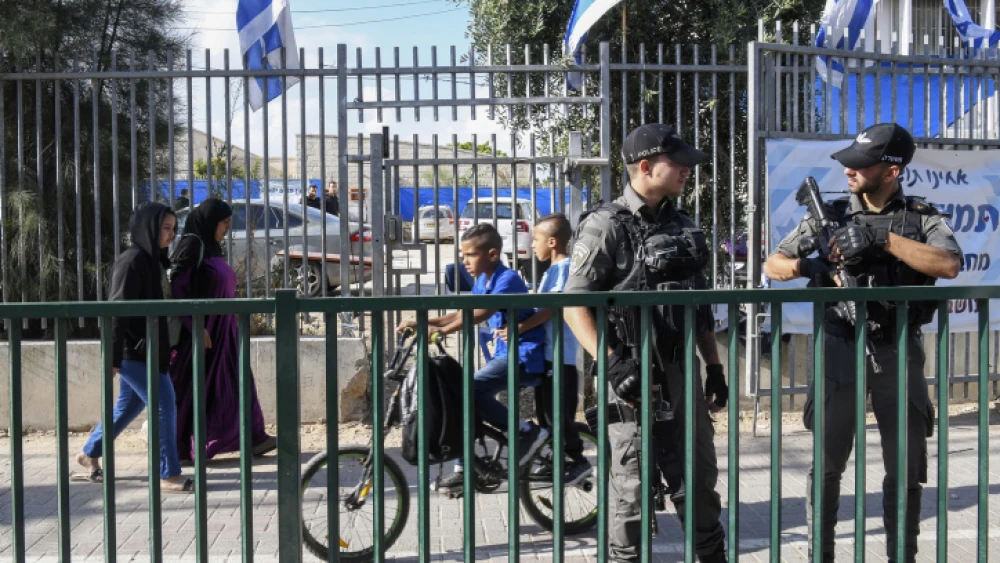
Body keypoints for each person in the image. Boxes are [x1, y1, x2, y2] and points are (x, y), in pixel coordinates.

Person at [763, 122, 961, 563]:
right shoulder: (827, 216)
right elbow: (772, 264)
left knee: (906, 466)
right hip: (837, 348)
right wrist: (809, 267)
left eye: (861, 165)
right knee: (827, 466)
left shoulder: (921, 217)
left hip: (896, 347)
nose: (849, 172)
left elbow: (948, 264)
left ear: (891, 171)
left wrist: (883, 239)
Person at [563, 123, 729, 562]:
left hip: (680, 373)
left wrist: (713, 366)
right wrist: (613, 364)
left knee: (698, 486)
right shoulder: (606, 225)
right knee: (630, 494)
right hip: (630, 380)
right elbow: (573, 305)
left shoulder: (685, 227)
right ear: (644, 166)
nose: (688, 171)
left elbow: (701, 307)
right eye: (678, 164)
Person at [396, 223, 549, 491]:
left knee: (468, 389)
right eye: (462, 255)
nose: (464, 261)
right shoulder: (482, 280)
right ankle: (465, 469)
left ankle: (526, 432)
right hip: (504, 354)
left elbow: (480, 313)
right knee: (461, 395)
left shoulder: (508, 278)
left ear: (492, 254)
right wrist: (422, 322)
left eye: (470, 255)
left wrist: (439, 330)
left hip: (524, 357)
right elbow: (461, 312)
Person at [74, 202, 193, 494]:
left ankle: (90, 453)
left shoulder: (152, 260)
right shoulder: (131, 261)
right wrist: (113, 357)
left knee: (129, 405)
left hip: (149, 350)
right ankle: (168, 474)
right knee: (164, 402)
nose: (171, 235)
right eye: (166, 228)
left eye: (173, 229)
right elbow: (118, 310)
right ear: (148, 228)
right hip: (134, 352)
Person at [168, 198, 277, 463]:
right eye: (224, 222)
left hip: (223, 332)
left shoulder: (211, 246)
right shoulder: (193, 245)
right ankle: (182, 449)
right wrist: (195, 324)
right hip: (203, 335)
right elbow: (177, 288)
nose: (228, 228)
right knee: (196, 390)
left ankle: (253, 439)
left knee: (236, 384)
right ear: (210, 222)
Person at [497, 213, 593, 486]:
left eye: (536, 240)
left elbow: (554, 306)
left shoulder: (565, 269)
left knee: (558, 415)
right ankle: (555, 459)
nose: (532, 245)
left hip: (560, 356)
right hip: (549, 356)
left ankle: (578, 460)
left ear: (552, 242)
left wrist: (522, 327)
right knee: (545, 414)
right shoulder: (552, 270)